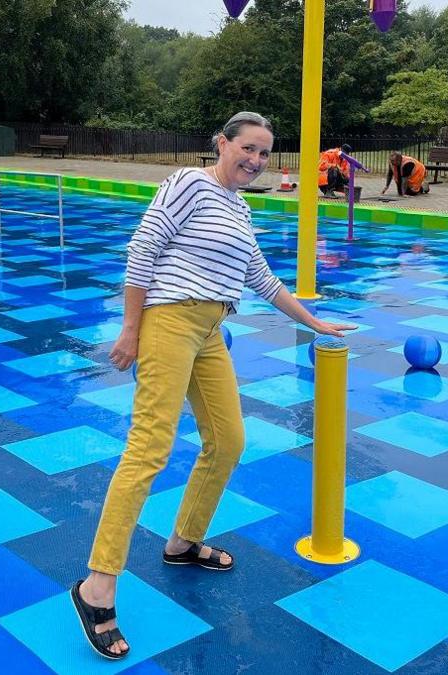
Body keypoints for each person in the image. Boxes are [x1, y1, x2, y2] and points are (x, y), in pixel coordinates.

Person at [71, 111, 356, 661]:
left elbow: (262, 278)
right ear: (222, 144)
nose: (255, 160)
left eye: (265, 154)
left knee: (227, 441)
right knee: (148, 449)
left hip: (209, 328)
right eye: (247, 148)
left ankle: (182, 542)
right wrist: (130, 329)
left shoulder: (239, 207)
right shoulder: (189, 183)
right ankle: (97, 585)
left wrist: (314, 322)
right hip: (170, 320)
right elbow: (142, 251)